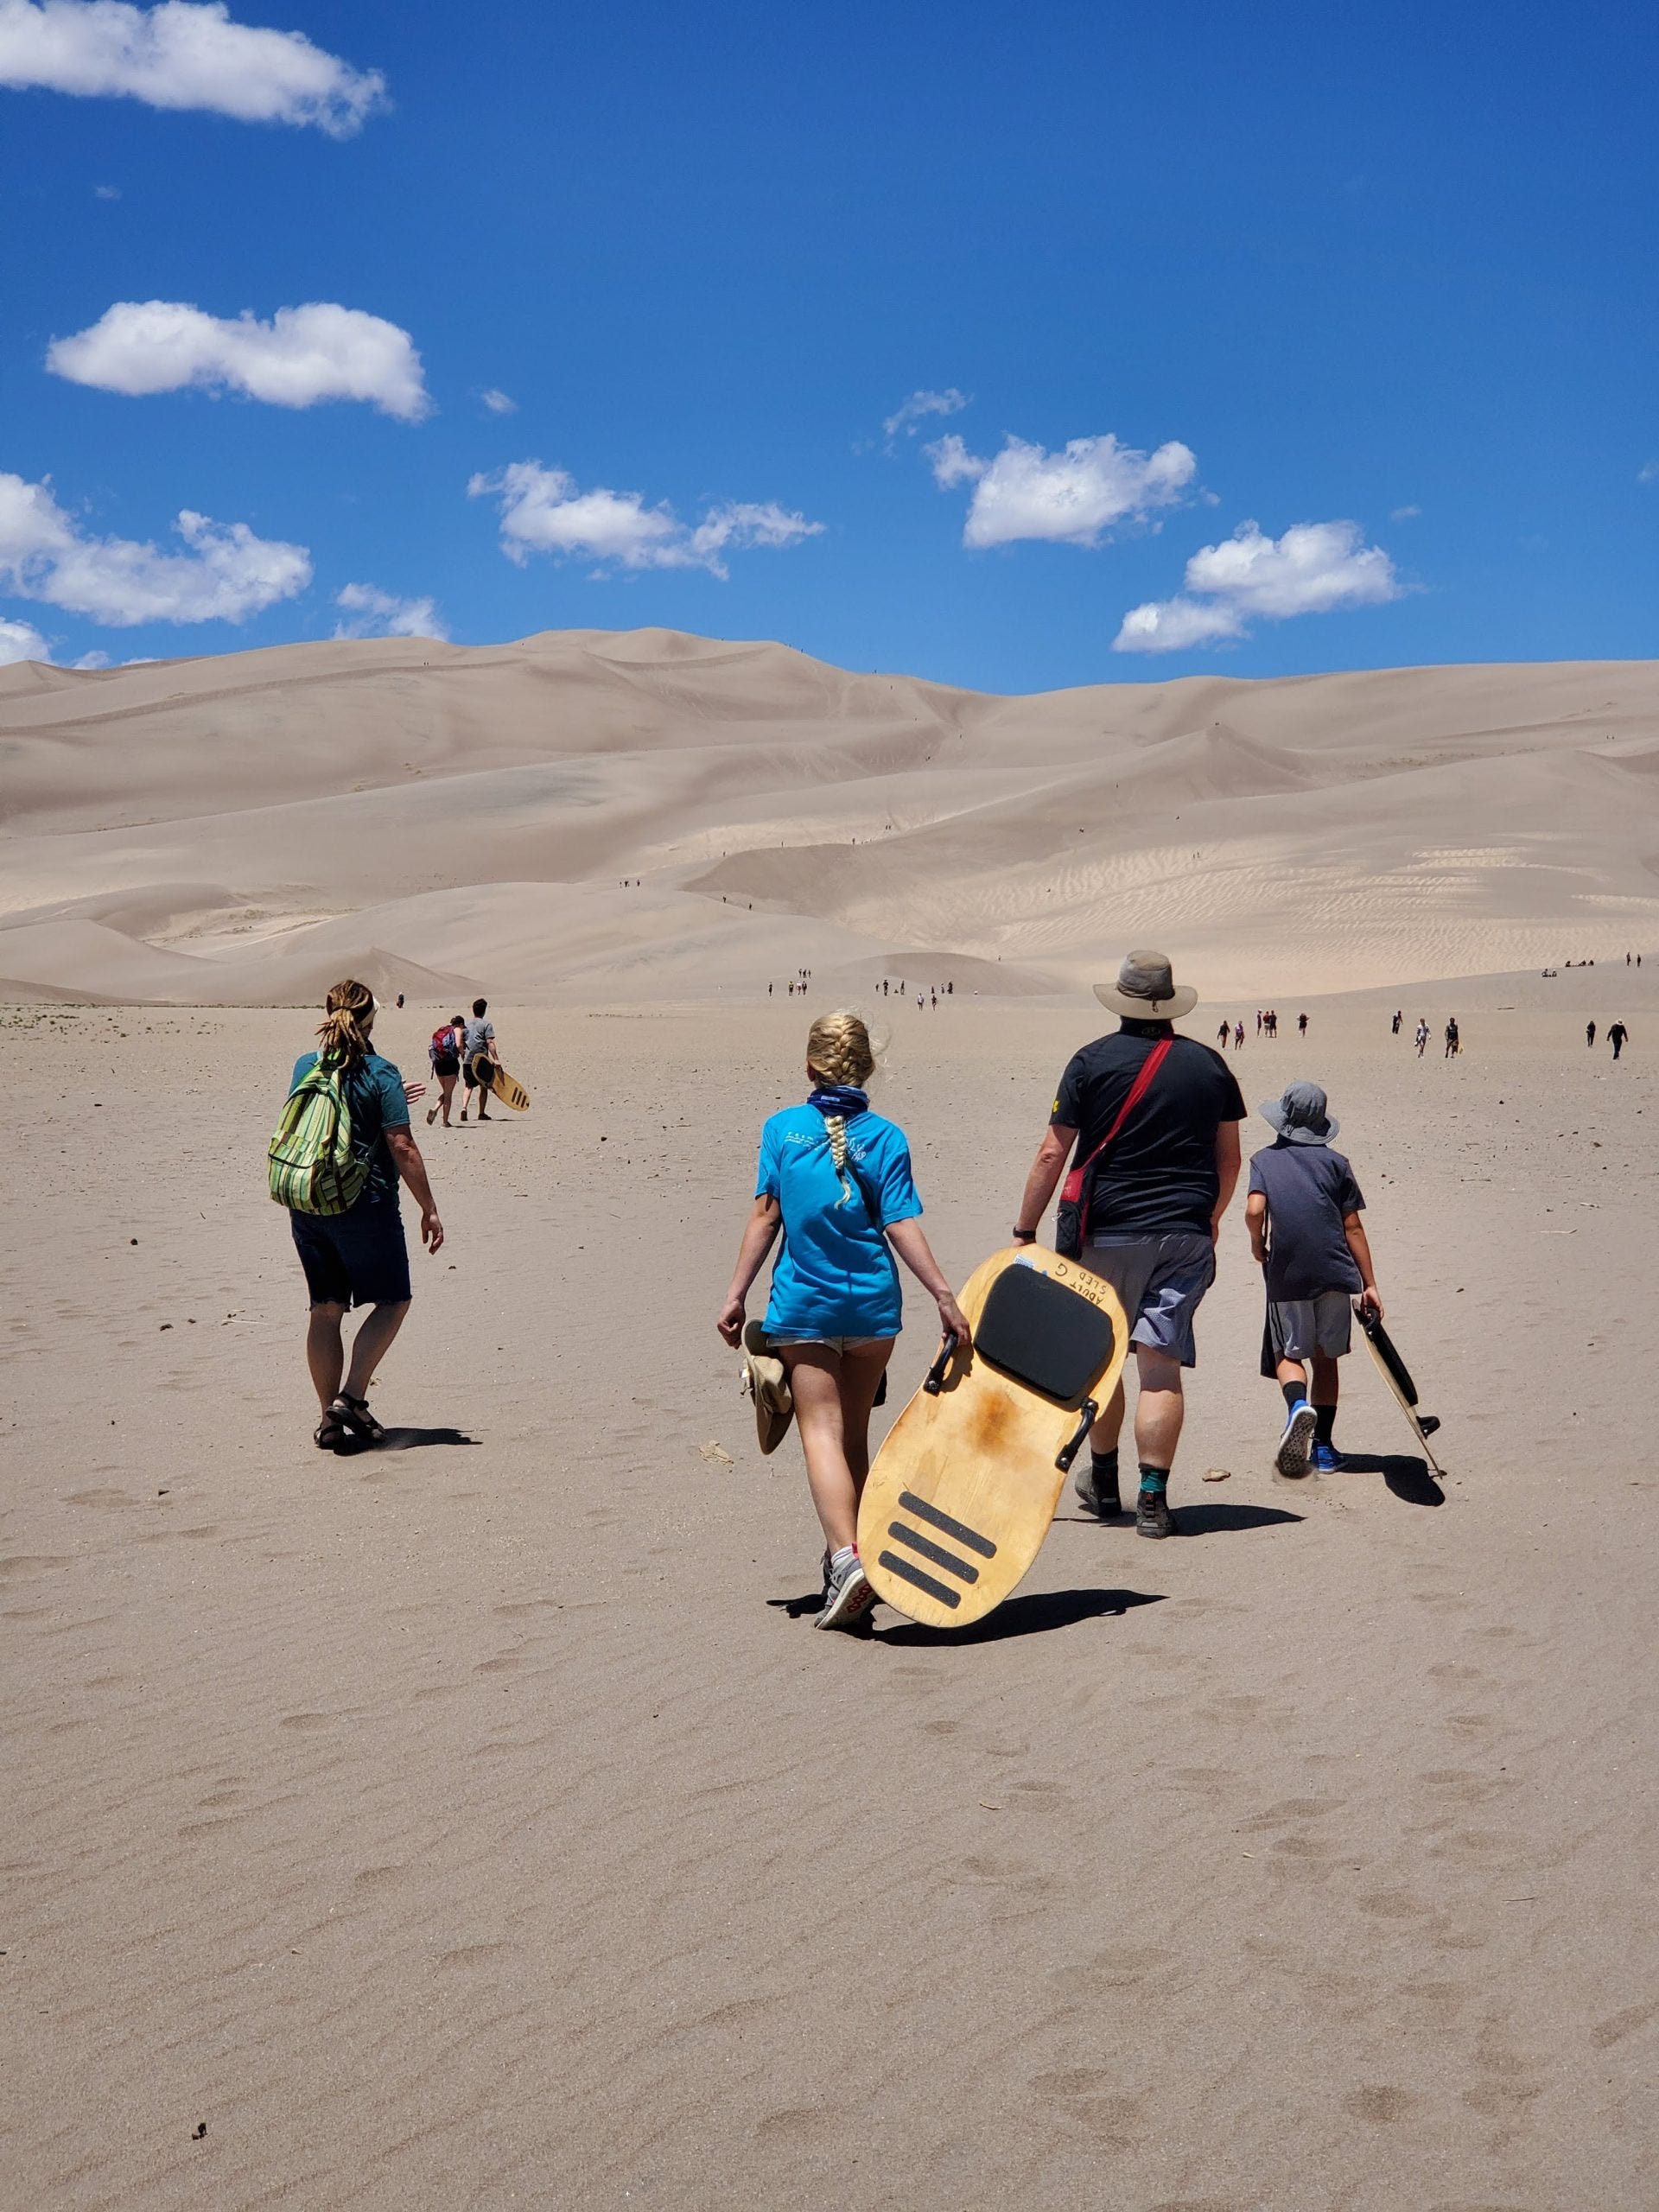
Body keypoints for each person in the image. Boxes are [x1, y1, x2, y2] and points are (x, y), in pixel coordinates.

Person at [716, 1012, 970, 1631]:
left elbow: (765, 1219)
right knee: (852, 1433)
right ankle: (858, 1562)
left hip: (805, 1307)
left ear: (809, 1067)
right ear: (868, 1070)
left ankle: (845, 1557)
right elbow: (901, 1221)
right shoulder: (885, 1136)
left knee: (819, 1434)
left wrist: (735, 1294)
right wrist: (941, 1293)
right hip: (874, 1313)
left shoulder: (783, 1130)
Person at [1012, 950, 1244, 1538]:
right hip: (1185, 1231)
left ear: (1121, 1001)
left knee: (1104, 1358)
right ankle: (1152, 1499)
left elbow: (1051, 1152)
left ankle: (1106, 1477)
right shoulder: (1210, 1066)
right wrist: (1211, 1217)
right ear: (1168, 1004)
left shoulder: (1091, 1062)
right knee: (1160, 1366)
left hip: (1105, 1232)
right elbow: (1230, 1159)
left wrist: (1024, 1228)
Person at [285, 980, 444, 1450]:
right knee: (394, 1300)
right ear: (372, 1020)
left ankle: (328, 1420)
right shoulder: (381, 1071)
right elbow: (401, 1145)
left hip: (309, 1202)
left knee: (325, 1310)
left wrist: (391, 1094)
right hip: (364, 1204)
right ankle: (351, 1397)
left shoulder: (305, 1065)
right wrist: (429, 1208)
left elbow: (327, 1114)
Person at [1246, 1083, 1381, 1478]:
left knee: (1286, 1353)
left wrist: (1258, 1243)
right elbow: (1352, 1225)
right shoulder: (1337, 1163)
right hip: (1336, 1272)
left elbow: (1255, 1209)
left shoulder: (1263, 1161)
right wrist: (1369, 1283)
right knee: (1326, 1358)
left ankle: (1295, 1409)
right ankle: (1323, 1448)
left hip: (1288, 1274)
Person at [459, 997, 499, 1122]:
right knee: (484, 1087)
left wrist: (463, 1055)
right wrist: (496, 1059)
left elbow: (460, 1043)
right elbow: (490, 1042)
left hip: (468, 1060)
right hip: (482, 1060)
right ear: (484, 1011)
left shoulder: (466, 1025)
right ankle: (481, 1113)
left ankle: (464, 1108)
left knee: (468, 1086)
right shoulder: (486, 1024)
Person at [426, 1013, 465, 1127]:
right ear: (460, 1024)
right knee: (448, 1095)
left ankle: (435, 1108)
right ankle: (445, 1121)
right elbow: (458, 1044)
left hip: (438, 1064)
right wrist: (463, 1054)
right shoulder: (457, 1029)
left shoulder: (443, 1029)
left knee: (445, 1092)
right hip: (450, 1064)